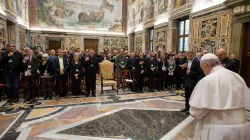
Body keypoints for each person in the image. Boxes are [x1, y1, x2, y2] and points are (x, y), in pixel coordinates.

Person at [190, 53, 250, 140]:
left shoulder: (207, 80)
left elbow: (197, 111)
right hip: (242, 126)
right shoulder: (237, 76)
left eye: (202, 68)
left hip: (218, 130)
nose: (203, 71)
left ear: (205, 65)